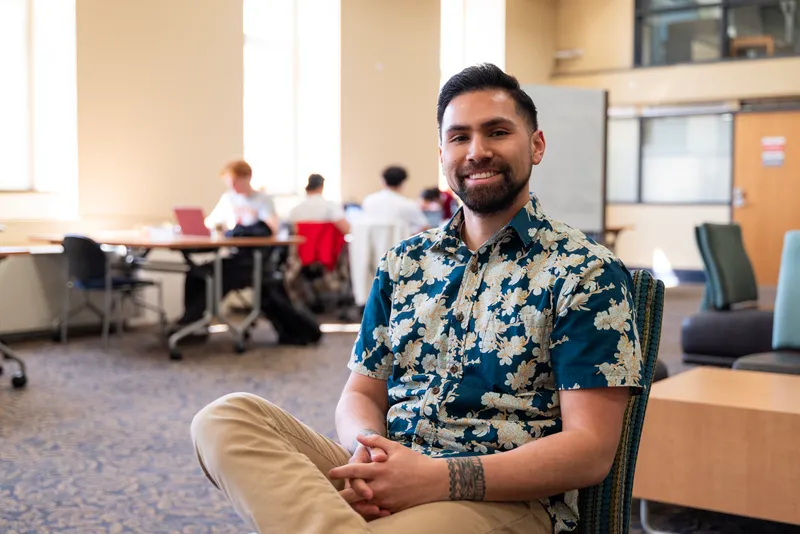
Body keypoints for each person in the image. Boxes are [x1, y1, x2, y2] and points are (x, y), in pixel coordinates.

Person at [190, 63, 642, 534]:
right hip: (392, 465)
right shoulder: (404, 263)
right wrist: (370, 451)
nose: (478, 151)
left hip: (505, 498)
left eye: (498, 131)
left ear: (536, 145)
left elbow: (589, 450)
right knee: (225, 418)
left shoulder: (583, 270)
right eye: (460, 137)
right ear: (442, 154)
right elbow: (362, 392)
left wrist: (436, 478)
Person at [173, 160, 277, 333]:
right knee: (195, 273)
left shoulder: (262, 200)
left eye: (236, 182)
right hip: (233, 256)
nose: (233, 187)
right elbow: (211, 223)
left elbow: (271, 228)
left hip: (254, 260)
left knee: (217, 276)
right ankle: (193, 322)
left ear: (248, 177)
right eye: (230, 183)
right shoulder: (228, 198)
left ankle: (189, 322)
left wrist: (241, 232)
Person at [361, 166, 430, 234]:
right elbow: (425, 227)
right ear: (403, 182)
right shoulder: (408, 204)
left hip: (372, 245)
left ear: (383, 181)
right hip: (400, 244)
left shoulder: (368, 200)